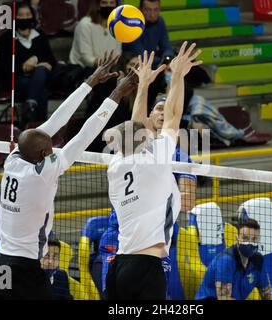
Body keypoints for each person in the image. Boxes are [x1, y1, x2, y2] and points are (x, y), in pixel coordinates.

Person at [0, 52, 138, 300]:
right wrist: (116, 95)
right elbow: (84, 136)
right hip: (23, 269)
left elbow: (55, 120)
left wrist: (89, 82)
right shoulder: (42, 173)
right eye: (50, 149)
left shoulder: (14, 158)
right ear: (44, 153)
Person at [105, 42, 202, 300]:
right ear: (144, 133)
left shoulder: (115, 165)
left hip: (120, 263)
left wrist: (144, 84)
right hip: (147, 265)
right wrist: (178, 75)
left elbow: (136, 125)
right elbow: (174, 115)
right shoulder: (157, 161)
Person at [0, 1, 57, 125]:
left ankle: (30, 108)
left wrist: (35, 62)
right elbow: (5, 67)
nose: (25, 18)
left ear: (33, 16)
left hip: (39, 77)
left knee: (40, 72)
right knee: (42, 92)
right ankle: (40, 129)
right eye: (21, 15)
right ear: (14, 17)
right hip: (16, 78)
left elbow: (51, 61)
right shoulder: (7, 39)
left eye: (28, 14)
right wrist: (25, 67)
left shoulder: (40, 36)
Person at [195, 219, 272, 300]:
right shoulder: (226, 260)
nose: (250, 243)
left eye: (254, 239)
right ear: (237, 238)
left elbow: (267, 295)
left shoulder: (258, 260)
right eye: (245, 238)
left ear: (258, 240)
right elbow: (224, 298)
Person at [69, 0, 121, 76]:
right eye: (104, 3)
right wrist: (104, 65)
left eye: (112, 3)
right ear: (97, 5)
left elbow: (117, 53)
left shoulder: (117, 26)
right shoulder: (85, 25)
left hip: (108, 69)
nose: (108, 6)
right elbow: (86, 58)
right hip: (83, 69)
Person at [123, 0, 173, 69]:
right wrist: (162, 62)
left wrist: (167, 58)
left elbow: (166, 46)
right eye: (148, 10)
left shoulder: (160, 21)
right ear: (140, 9)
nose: (152, 14)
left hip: (154, 64)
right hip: (134, 67)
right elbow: (141, 55)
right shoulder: (132, 24)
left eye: (155, 10)